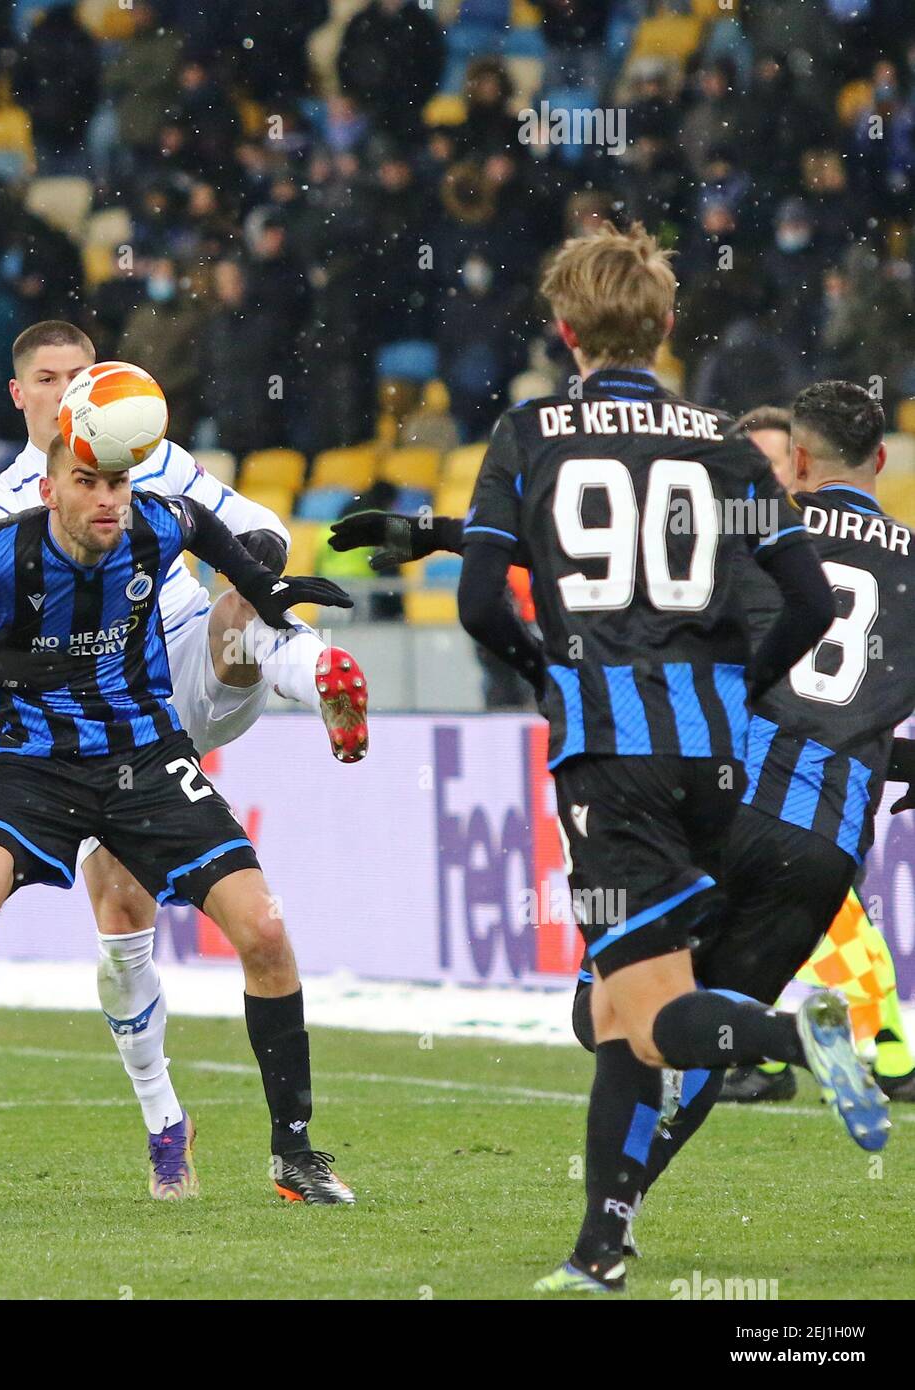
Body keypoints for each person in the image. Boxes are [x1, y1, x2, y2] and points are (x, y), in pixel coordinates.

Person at [327, 224, 889, 1293]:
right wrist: (737, 686)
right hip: (719, 760)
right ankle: (601, 1247)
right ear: (666, 325)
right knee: (615, 1013)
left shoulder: (533, 430)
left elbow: (486, 602)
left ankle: (794, 1032)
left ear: (562, 328)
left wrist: (550, 678)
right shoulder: (721, 440)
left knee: (643, 1011)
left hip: (611, 756)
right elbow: (808, 599)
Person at [0, 320, 370, 1198]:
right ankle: (164, 1116)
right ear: (21, 396)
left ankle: (314, 667)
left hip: (178, 667)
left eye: (80, 374)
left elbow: (262, 535)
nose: (69, 391)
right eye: (49, 379)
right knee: (122, 911)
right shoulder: (8, 505)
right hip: (93, 721)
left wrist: (241, 567)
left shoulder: (154, 459)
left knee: (239, 611)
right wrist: (9, 667)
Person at [718, 405, 915, 1105]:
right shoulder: (905, 556)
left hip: (742, 791)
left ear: (798, 462)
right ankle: (794, 1052)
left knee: (637, 1001)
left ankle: (828, 1051)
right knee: (824, 917)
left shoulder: (755, 538)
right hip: (832, 810)